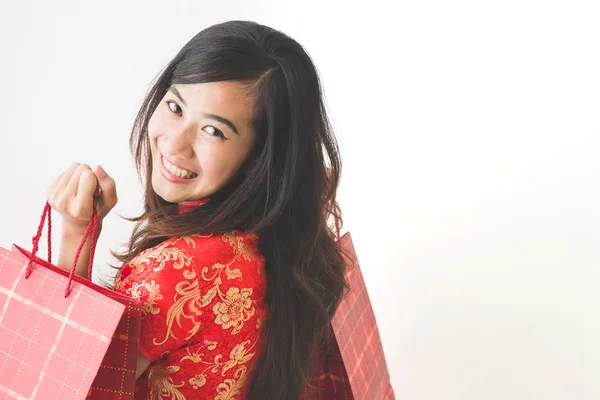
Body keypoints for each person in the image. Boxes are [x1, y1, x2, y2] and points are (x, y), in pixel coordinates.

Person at [46, 20, 348, 400]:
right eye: (175, 107)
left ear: (261, 157)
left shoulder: (178, 270)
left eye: (214, 131)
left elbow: (63, 385)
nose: (175, 142)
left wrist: (76, 233)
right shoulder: (296, 236)